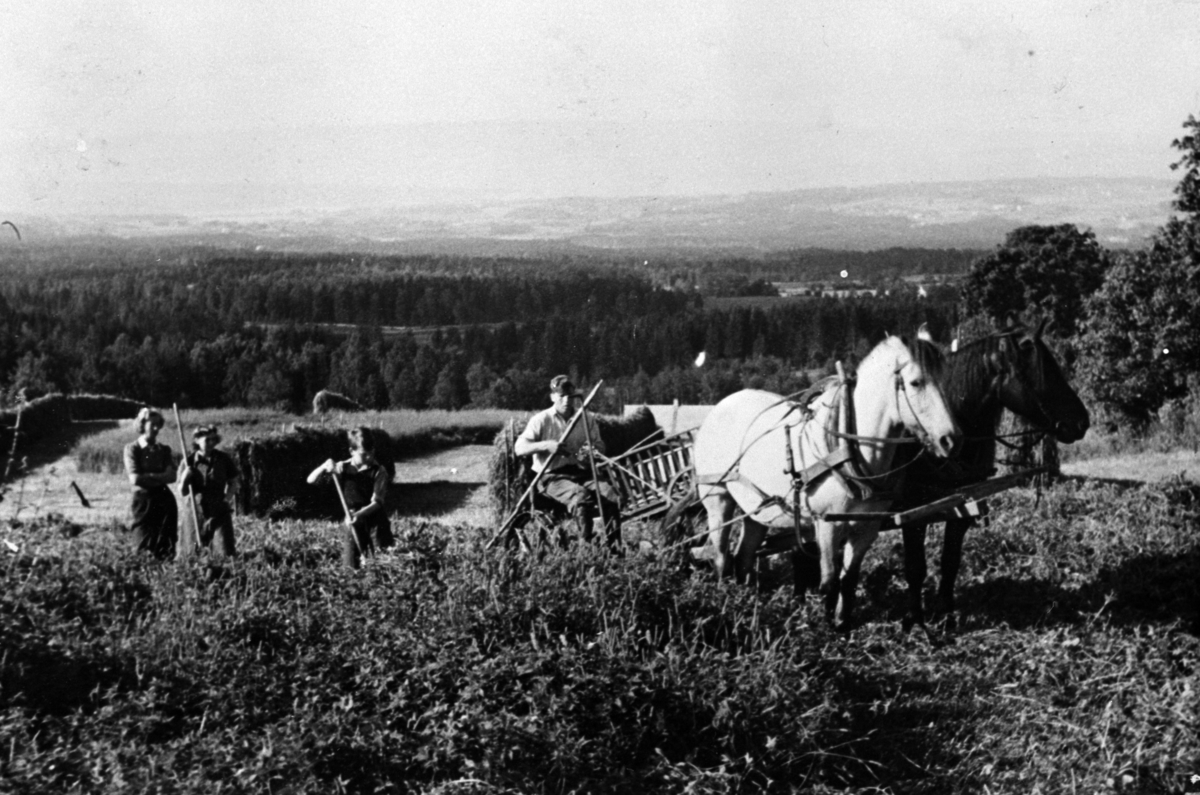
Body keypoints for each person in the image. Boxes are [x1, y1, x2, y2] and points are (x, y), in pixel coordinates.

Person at [514, 375, 622, 549]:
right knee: (581, 497)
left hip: (582, 472)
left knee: (612, 495)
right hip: (552, 476)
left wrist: (591, 451)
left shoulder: (586, 418)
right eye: (561, 395)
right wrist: (546, 445)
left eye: (570, 395)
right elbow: (519, 447)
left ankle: (614, 547)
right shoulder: (541, 419)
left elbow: (600, 444)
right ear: (552, 397)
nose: (566, 400)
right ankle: (585, 548)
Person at [306, 427, 394, 569]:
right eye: (364, 454)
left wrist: (359, 514)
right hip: (351, 520)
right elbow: (310, 480)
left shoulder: (379, 471)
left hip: (375, 522)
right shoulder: (342, 468)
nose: (369, 458)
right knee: (350, 566)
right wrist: (324, 466)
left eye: (372, 453)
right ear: (351, 452)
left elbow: (377, 502)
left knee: (381, 563)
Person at [177, 425, 240, 559]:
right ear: (197, 441)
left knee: (224, 553)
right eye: (207, 440)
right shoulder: (188, 461)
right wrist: (185, 477)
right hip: (195, 511)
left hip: (219, 510)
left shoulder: (223, 459)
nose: (211, 443)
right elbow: (182, 491)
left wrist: (226, 499)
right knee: (191, 553)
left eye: (214, 440)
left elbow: (233, 482)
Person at [123, 408, 178, 559]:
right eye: (151, 424)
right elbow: (135, 479)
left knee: (166, 546)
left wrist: (148, 476)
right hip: (143, 501)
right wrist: (161, 476)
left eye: (158, 424)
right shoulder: (132, 449)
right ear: (142, 424)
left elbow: (172, 476)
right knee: (143, 545)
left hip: (164, 499)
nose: (156, 428)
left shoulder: (164, 450)